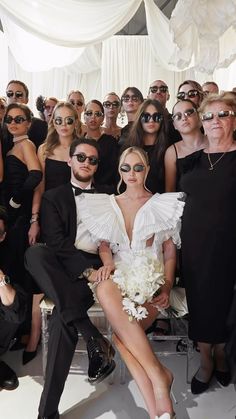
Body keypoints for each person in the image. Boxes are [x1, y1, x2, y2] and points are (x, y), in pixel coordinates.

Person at [78, 146, 186, 419]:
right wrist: (108, 262)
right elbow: (104, 244)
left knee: (124, 338)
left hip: (150, 281)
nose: (132, 173)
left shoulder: (162, 203)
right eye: (126, 168)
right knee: (103, 286)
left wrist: (168, 283)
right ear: (119, 171)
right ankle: (160, 381)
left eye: (138, 167)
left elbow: (170, 251)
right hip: (119, 279)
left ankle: (156, 406)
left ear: (147, 169)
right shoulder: (108, 203)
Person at [25, 137, 116, 419]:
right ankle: (93, 336)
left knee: (65, 320)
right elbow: (56, 242)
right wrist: (84, 271)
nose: (86, 163)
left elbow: (114, 240)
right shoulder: (54, 196)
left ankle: (46, 413)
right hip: (61, 265)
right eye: (81, 157)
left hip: (95, 267)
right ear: (70, 160)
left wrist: (99, 269)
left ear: (97, 165)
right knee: (35, 254)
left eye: (93, 160)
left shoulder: (109, 195)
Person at [180, 92, 236, 394]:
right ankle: (205, 360)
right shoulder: (190, 163)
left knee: (226, 305)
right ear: (202, 122)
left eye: (223, 114)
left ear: (234, 119)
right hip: (194, 249)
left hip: (229, 249)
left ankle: (222, 356)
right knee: (200, 304)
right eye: (209, 116)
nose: (216, 120)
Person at [2, 103, 42, 363]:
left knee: (21, 274)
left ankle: (27, 333)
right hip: (14, 218)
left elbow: (36, 175)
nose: (13, 123)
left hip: (20, 218)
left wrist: (16, 202)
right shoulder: (14, 145)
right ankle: (19, 331)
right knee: (16, 272)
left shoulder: (26, 145)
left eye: (19, 119)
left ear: (29, 123)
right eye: (9, 119)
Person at [0, 206, 27, 391]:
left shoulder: (8, 258)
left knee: (13, 306)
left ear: (2, 236)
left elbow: (16, 314)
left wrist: (0, 278)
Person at [123, 99, 170, 194]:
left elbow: (170, 188)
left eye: (157, 117)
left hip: (161, 202)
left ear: (162, 120)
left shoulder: (169, 149)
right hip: (133, 202)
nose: (151, 120)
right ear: (139, 118)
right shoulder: (128, 148)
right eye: (146, 116)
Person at [164, 99, 208, 192]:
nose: (184, 118)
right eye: (178, 116)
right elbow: (170, 191)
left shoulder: (214, 142)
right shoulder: (171, 152)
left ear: (199, 116)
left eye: (189, 112)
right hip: (186, 205)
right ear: (174, 125)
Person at [1, 80, 48, 156]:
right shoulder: (2, 124)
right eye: (10, 94)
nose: (14, 97)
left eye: (19, 94)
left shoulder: (40, 125)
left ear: (27, 100)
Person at [84, 99, 119, 189]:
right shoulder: (78, 143)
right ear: (84, 117)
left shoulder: (111, 143)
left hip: (105, 193)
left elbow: (115, 173)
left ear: (103, 118)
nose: (93, 117)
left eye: (98, 114)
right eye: (89, 113)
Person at [148, 80, 181, 144]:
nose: (158, 92)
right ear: (148, 96)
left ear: (168, 96)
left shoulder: (176, 120)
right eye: (154, 89)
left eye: (163, 89)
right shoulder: (142, 120)